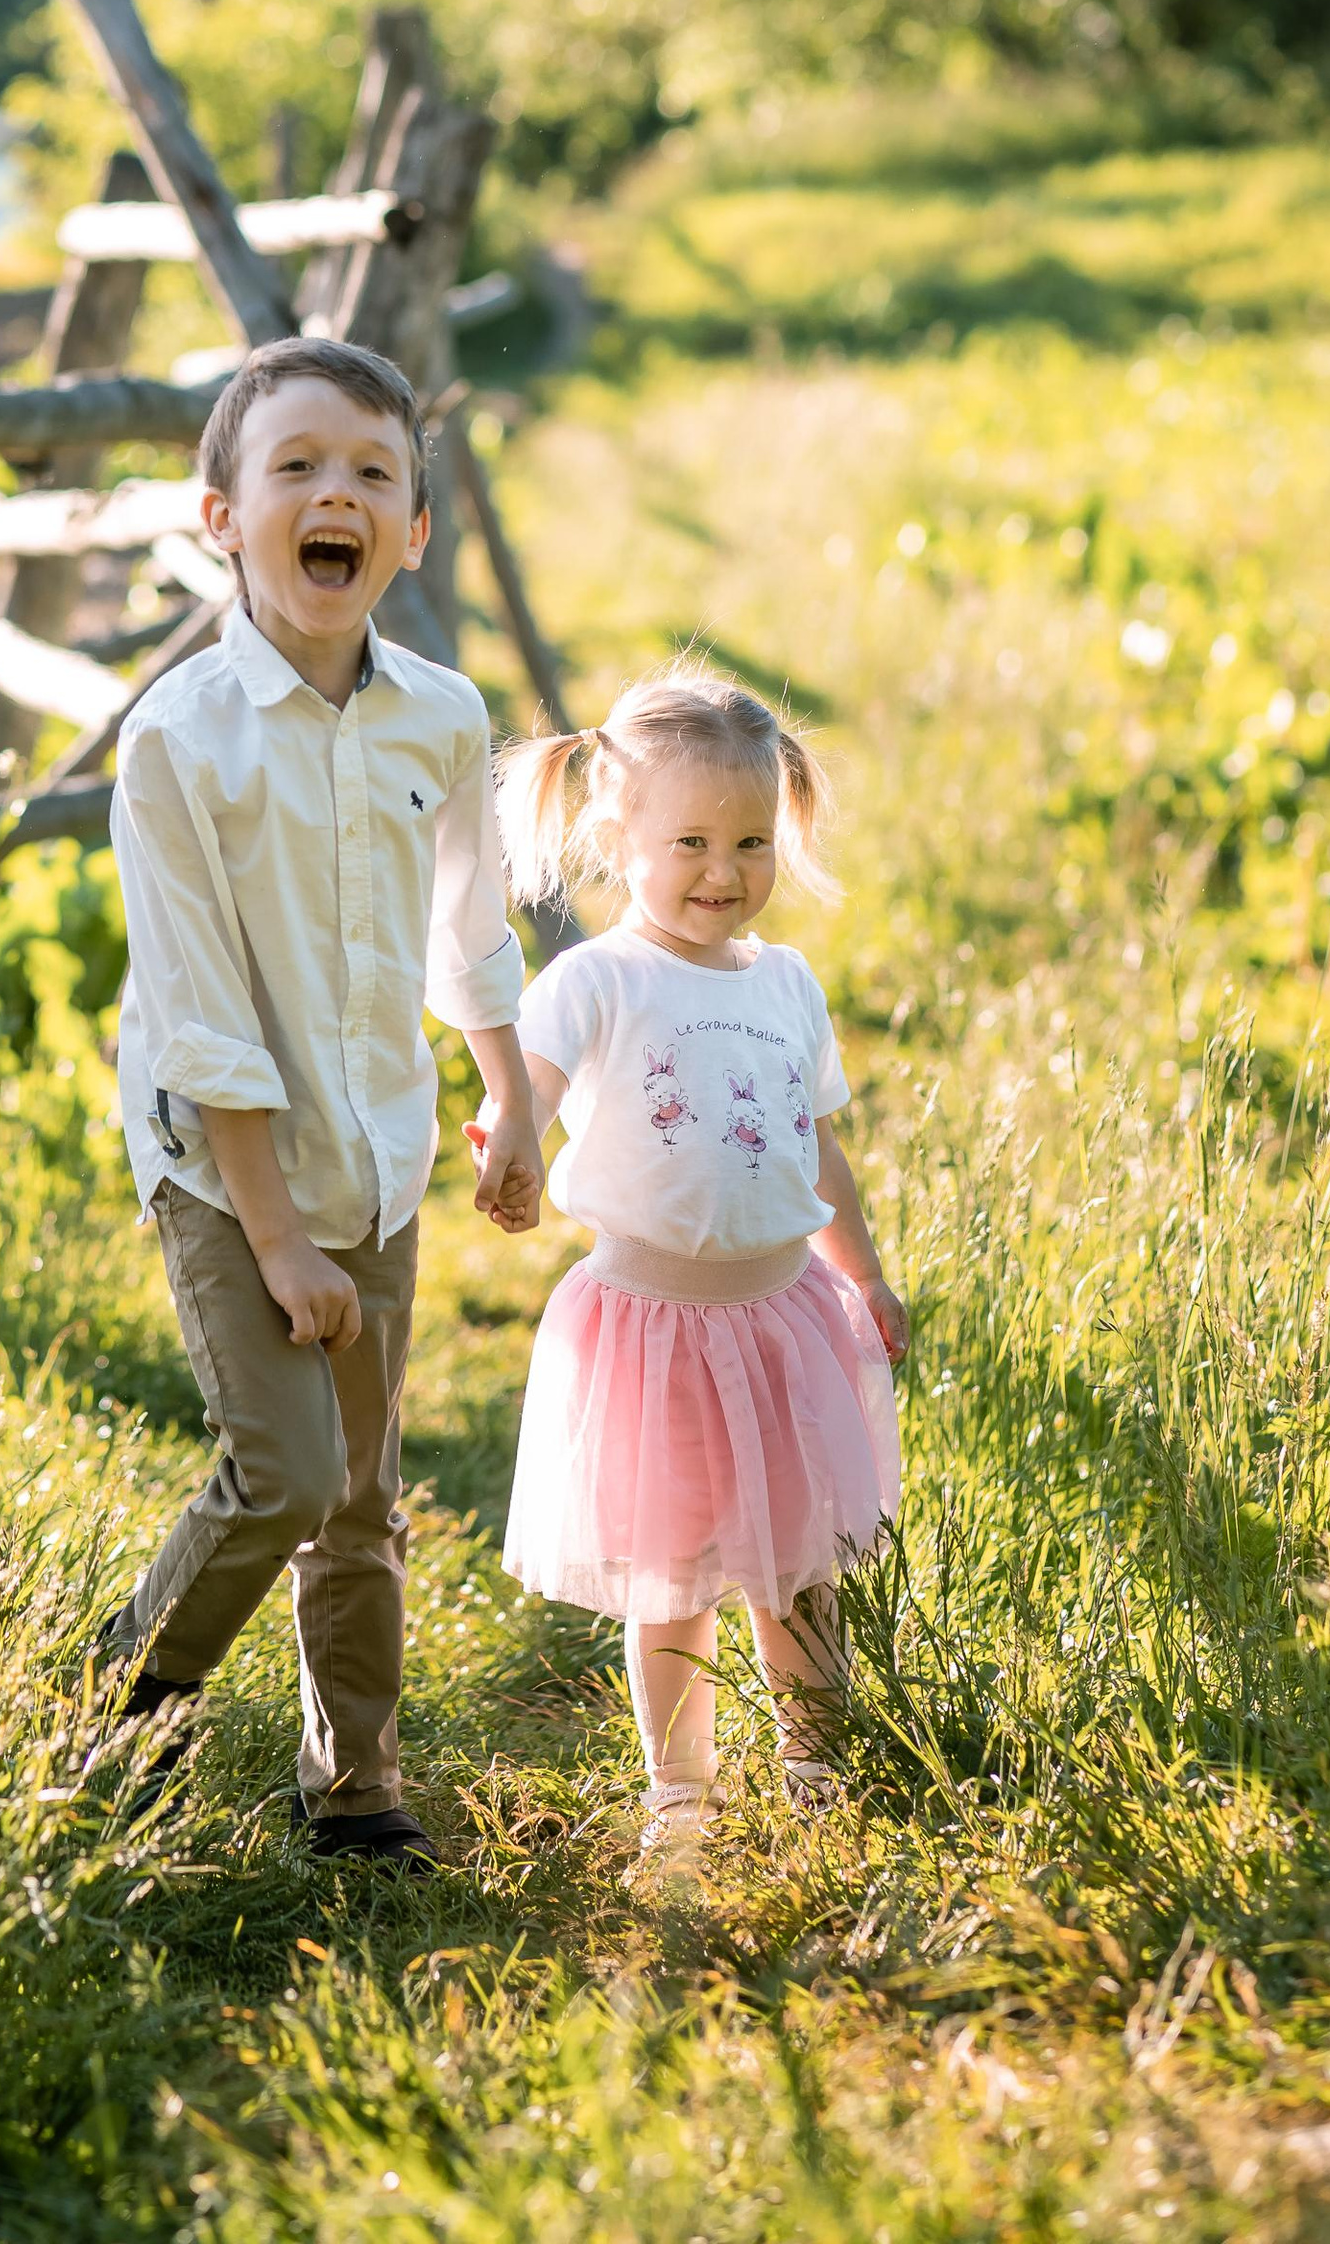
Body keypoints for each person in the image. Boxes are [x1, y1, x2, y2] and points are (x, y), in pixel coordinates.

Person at [97, 333, 542, 1865]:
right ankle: (124, 1693)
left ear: (412, 532)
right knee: (285, 1473)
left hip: (378, 1154)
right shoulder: (177, 744)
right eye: (295, 466)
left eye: (371, 472)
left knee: (360, 1495)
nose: (334, 493)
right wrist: (280, 1240)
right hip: (230, 1172)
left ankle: (355, 1792)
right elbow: (203, 1019)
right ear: (223, 518)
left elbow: (469, 929)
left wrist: (510, 1097)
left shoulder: (443, 718)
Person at [493, 658, 907, 1862]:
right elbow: (529, 1088)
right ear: (617, 835)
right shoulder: (596, 981)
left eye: (750, 843)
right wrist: (510, 1140)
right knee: (670, 1577)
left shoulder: (785, 983)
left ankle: (815, 1769)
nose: (723, 873)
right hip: (651, 1325)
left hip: (783, 1316)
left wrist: (865, 1273)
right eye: (690, 843)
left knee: (799, 1565)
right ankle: (680, 1794)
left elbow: (815, 1146)